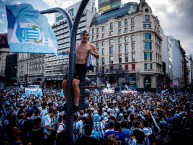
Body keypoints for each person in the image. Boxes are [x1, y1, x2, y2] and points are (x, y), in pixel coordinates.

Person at [61, 29, 99, 113]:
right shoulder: (77, 45)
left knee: (75, 83)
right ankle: (67, 102)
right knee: (64, 83)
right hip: (72, 66)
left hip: (82, 67)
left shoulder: (91, 45)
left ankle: (76, 104)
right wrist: (61, 52)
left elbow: (97, 55)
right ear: (81, 36)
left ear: (88, 36)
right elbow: (69, 51)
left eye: (86, 35)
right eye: (83, 35)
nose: (85, 36)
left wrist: (92, 52)